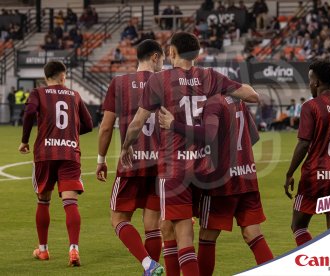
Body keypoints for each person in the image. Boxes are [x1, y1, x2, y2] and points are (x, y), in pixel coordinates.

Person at [119, 32, 259, 276]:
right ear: (197, 54)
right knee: (177, 229)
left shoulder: (159, 80)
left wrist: (126, 146)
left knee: (181, 234)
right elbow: (252, 96)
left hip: (175, 169)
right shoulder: (211, 77)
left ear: (171, 52)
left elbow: (137, 123)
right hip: (206, 170)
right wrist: (229, 91)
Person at [158, 93, 273, 275]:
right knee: (253, 234)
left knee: (207, 237)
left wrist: (174, 125)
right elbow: (254, 136)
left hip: (222, 181)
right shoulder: (238, 100)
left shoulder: (213, 102)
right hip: (247, 175)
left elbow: (208, 135)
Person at [96, 40, 165, 276]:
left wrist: (101, 159)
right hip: (160, 164)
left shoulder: (119, 83)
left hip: (131, 163)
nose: (163, 64)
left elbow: (105, 127)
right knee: (152, 226)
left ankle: (148, 264)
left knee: (118, 219)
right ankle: (152, 268)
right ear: (155, 57)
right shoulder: (165, 84)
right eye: (163, 59)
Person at [18, 61, 93, 266]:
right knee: (70, 203)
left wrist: (25, 140)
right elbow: (89, 124)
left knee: (43, 200)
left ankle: (43, 250)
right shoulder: (75, 96)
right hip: (69, 153)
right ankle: (74, 250)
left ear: (46, 77)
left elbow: (29, 113)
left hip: (45, 153)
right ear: (63, 76)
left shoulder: (38, 92)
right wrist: (69, 134)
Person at [284, 60, 330, 246]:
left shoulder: (311, 106)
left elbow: (303, 144)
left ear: (316, 82)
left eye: (310, 80)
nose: (309, 84)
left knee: (298, 226)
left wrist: (289, 173)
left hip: (314, 176)